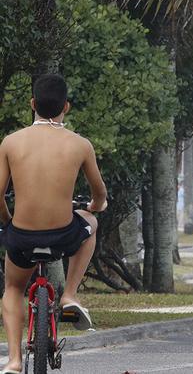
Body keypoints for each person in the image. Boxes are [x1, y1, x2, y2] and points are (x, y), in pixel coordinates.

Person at [0, 74, 107, 374]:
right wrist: (95, 206)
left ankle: (14, 361)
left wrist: (8, 222)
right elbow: (99, 195)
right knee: (91, 224)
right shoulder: (80, 144)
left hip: (21, 237)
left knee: (12, 288)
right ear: (66, 107)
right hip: (63, 236)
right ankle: (70, 294)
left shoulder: (10, 142)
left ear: (32, 104)